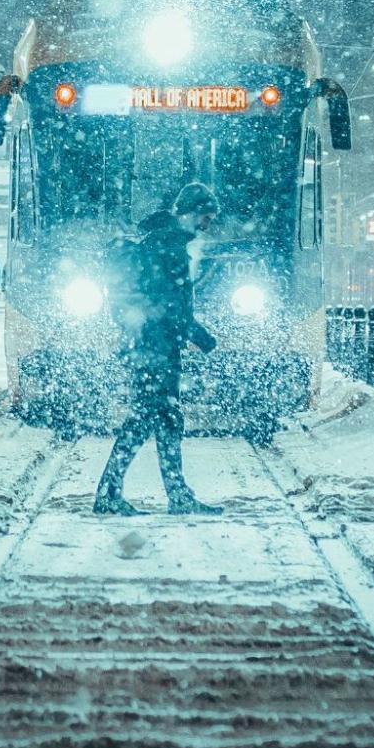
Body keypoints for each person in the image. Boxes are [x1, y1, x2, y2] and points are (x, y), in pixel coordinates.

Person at [94, 183, 223, 517]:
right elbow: (171, 305)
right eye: (205, 217)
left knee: (162, 419)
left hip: (150, 344)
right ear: (190, 211)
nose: (206, 225)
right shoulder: (169, 245)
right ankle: (113, 494)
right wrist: (202, 337)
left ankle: (170, 494)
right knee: (150, 419)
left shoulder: (160, 240)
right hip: (156, 346)